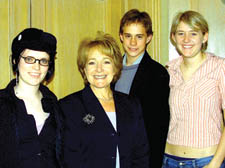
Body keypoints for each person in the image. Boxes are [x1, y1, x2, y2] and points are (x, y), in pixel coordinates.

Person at [59, 32, 149, 168]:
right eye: (92, 63)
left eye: (106, 62)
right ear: (84, 69)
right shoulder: (69, 107)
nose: (99, 69)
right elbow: (69, 159)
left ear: (115, 67)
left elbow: (141, 155)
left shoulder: (131, 105)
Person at [163, 10, 225, 168]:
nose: (186, 39)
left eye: (193, 33)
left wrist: (215, 163)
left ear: (205, 36)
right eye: (181, 33)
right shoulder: (168, 70)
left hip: (207, 161)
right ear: (173, 37)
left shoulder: (219, 67)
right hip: (169, 160)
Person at [114, 9, 170, 167]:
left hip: (140, 159)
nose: (133, 43)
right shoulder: (109, 68)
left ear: (149, 38)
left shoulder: (157, 74)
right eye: (128, 36)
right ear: (121, 36)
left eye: (139, 36)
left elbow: (158, 128)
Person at [0, 28, 63, 168]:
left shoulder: (56, 106)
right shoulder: (2, 104)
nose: (37, 67)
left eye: (43, 61)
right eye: (29, 59)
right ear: (16, 60)